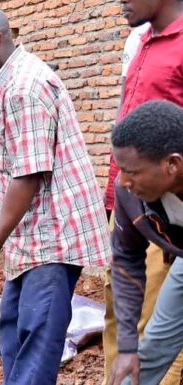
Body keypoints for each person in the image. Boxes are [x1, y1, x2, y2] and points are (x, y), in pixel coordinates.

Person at [0, 4, 110, 384]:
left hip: (53, 236)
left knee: (38, 338)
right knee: (14, 327)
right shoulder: (8, 83)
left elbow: (28, 176)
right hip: (31, 234)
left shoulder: (25, 88)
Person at [103, 1, 183, 384]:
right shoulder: (130, 191)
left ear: (172, 163)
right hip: (171, 232)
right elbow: (126, 260)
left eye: (130, 173)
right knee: (145, 356)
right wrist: (129, 351)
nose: (123, 180)